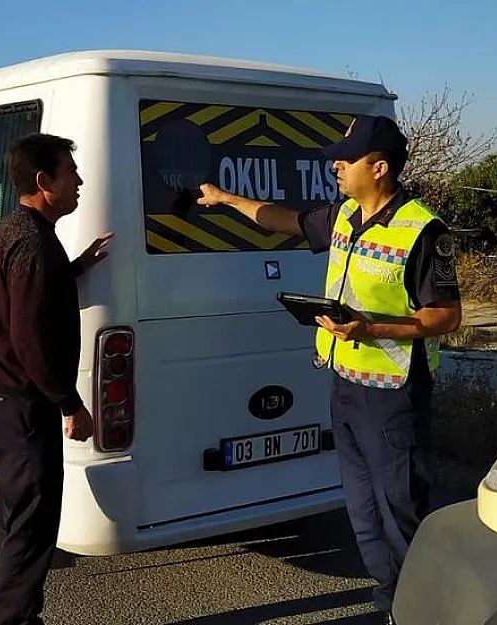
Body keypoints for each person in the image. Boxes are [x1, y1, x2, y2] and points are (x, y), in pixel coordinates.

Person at [196, 115, 462, 624]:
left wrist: (371, 329)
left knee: (401, 517)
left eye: (347, 159)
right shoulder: (344, 215)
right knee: (363, 518)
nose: (336, 166)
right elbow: (283, 219)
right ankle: (393, 609)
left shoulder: (425, 230)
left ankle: (424, 612)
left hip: (393, 399)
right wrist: (227, 199)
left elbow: (447, 315)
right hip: (344, 387)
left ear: (379, 167)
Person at [0, 133, 113, 625]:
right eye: (70, 174)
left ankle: (19, 616)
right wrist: (70, 404)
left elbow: (30, 295)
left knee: (19, 519)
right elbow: (31, 342)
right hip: (18, 403)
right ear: (43, 182)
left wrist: (76, 266)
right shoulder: (32, 244)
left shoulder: (16, 232)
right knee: (32, 529)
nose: (79, 182)